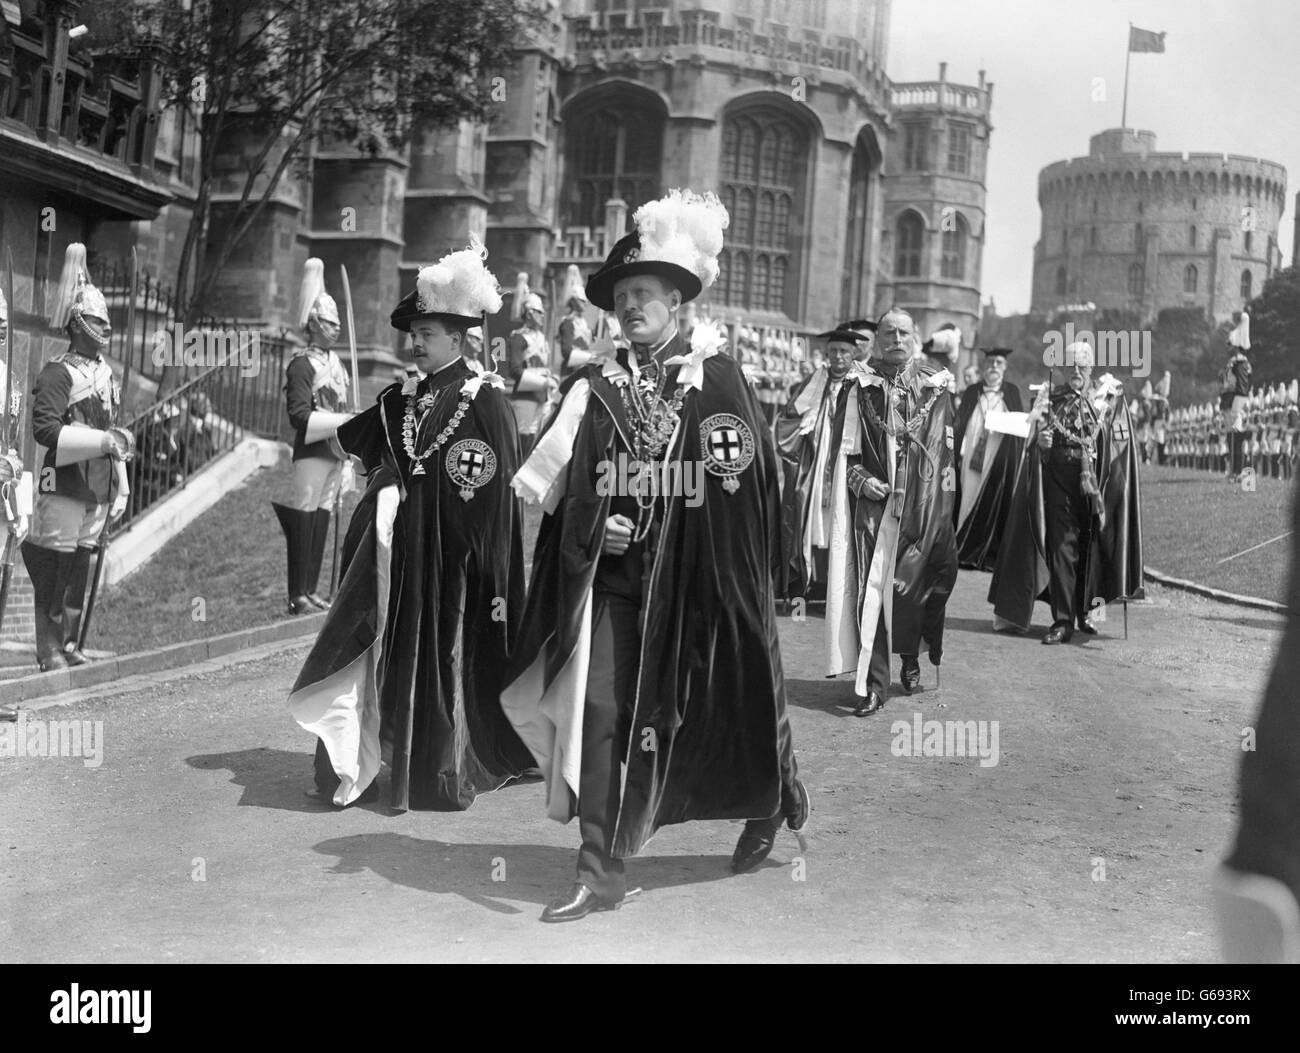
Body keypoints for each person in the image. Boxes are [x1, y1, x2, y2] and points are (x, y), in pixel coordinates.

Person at [500, 189, 808, 922]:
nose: (631, 307)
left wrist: (750, 567)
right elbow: (550, 488)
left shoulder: (717, 377)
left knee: (733, 695)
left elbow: (750, 480)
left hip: (702, 583)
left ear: (678, 301)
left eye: (645, 294)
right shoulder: (595, 387)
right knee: (603, 709)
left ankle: (771, 796)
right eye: (622, 297)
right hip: (617, 587)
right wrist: (597, 520)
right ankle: (598, 869)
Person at [288, 234, 533, 811]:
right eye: (413, 334)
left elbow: (495, 494)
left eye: (428, 334)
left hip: (451, 560)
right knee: (377, 654)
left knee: (439, 657)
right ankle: (372, 758)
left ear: (459, 336)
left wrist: (474, 556)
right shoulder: (398, 400)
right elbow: (357, 441)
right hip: (392, 558)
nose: (416, 343)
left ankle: (433, 768)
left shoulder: (486, 401)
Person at [829, 308, 957, 713]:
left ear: (914, 336)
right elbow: (844, 452)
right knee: (875, 594)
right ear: (878, 338)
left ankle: (912, 656)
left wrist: (939, 508)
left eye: (904, 332)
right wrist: (863, 482)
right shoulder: (859, 386)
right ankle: (874, 685)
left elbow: (946, 454)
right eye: (889, 332)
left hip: (923, 506)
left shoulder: (935, 385)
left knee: (915, 587)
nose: (896, 339)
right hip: (876, 508)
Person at [21, 244, 131, 670]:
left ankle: (69, 642)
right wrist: (102, 443)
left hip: (98, 484)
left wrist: (122, 484)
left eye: (105, 320)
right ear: (77, 323)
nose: (103, 326)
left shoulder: (107, 375)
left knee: (80, 566)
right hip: (62, 480)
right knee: (56, 562)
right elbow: (46, 429)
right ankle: (48, 647)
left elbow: (115, 432)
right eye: (96, 319)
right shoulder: (57, 372)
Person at [989, 342, 1143, 643]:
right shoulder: (1051, 399)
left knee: (1092, 550)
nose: (1076, 371)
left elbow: (1120, 443)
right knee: (1062, 549)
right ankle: (1062, 621)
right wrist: (1042, 445)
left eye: (1082, 365)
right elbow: (1034, 447)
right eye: (1070, 365)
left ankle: (1085, 614)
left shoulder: (1105, 401)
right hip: (1059, 483)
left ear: (1091, 368)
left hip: (1095, 486)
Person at [776, 320, 876, 608]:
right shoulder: (814, 381)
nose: (838, 357)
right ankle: (807, 590)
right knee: (811, 524)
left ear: (853, 353)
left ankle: (842, 591)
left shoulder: (864, 382)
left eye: (844, 351)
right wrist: (803, 438)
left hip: (849, 464)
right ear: (827, 353)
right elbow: (789, 418)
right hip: (817, 463)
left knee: (843, 523)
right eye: (833, 351)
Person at [272, 259, 351, 616]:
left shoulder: (338, 365)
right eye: (329, 321)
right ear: (314, 324)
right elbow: (299, 415)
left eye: (337, 322)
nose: (335, 327)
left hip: (335, 452)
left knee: (321, 517)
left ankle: (312, 587)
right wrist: (342, 423)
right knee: (305, 515)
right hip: (312, 449)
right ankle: (296, 593)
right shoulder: (302, 364)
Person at [953, 347, 1024, 571]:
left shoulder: (1011, 392)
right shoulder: (972, 391)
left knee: (993, 502)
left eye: (999, 363)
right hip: (970, 456)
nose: (994, 366)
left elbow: (1019, 429)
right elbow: (959, 423)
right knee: (967, 498)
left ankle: (988, 553)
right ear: (983, 366)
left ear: (1005, 367)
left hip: (996, 460)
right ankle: (962, 549)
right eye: (990, 362)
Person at [506, 285, 556, 449]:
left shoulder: (542, 338)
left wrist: (550, 377)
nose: (542, 316)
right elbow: (515, 370)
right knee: (522, 442)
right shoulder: (518, 337)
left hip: (543, 397)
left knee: (538, 442)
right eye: (539, 312)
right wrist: (543, 382)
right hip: (525, 396)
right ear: (529, 313)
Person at [1220, 318, 1252, 481]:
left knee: (1236, 439)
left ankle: (1240, 471)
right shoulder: (1232, 362)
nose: (1228, 348)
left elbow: (1242, 386)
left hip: (1235, 402)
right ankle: (1233, 470)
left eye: (1230, 345)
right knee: (1230, 438)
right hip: (1228, 401)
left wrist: (1236, 406)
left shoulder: (1240, 363)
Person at [556, 266, 593, 381]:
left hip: (585, 369)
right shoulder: (568, 322)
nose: (585, 303)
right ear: (573, 301)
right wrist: (592, 357)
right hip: (571, 372)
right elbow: (567, 351)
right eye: (581, 300)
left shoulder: (584, 323)